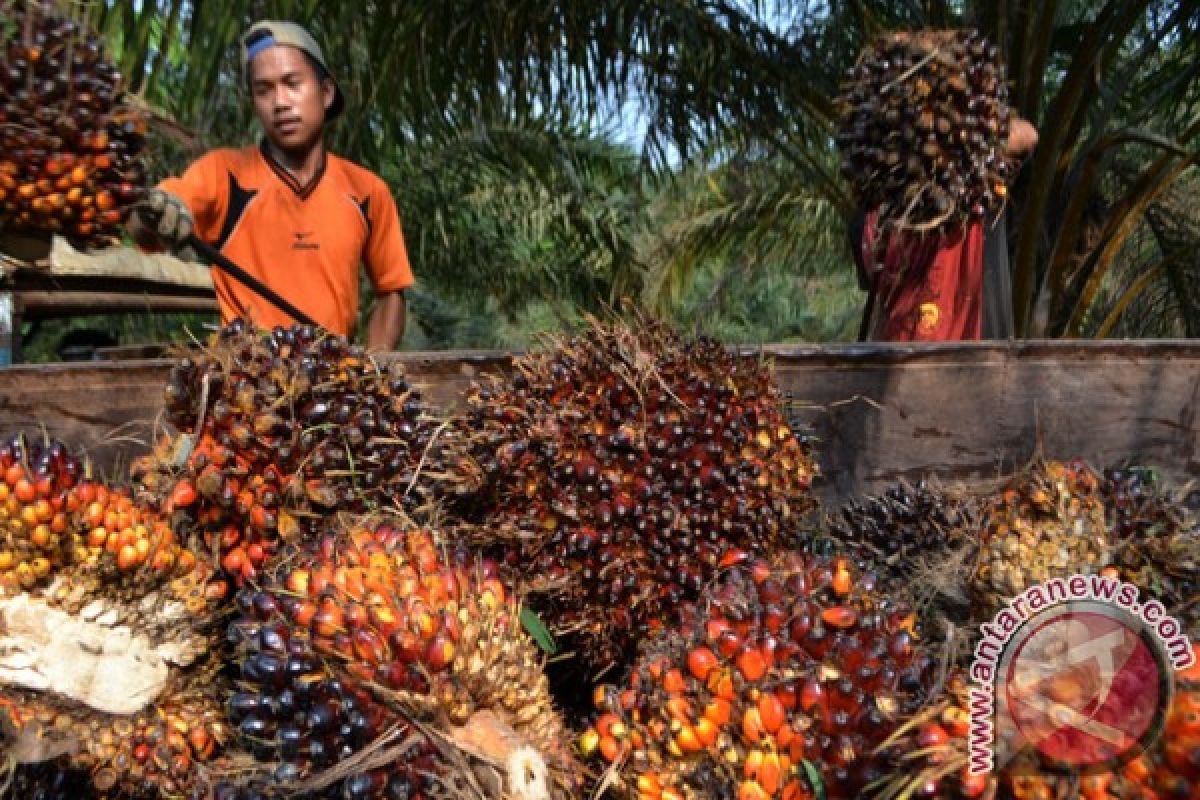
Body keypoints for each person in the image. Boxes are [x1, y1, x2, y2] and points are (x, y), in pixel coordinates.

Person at [128, 21, 412, 350]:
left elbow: (391, 292)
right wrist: (154, 212)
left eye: (293, 83)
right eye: (264, 90)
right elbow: (148, 222)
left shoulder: (366, 191)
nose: (280, 102)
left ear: (327, 92)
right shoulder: (224, 174)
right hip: (247, 385)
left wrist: (371, 372)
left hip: (330, 386)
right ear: (254, 104)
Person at [850, 117, 1039, 342]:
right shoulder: (969, 187)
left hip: (945, 358)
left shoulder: (972, 184)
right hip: (922, 362)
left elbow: (1027, 136)